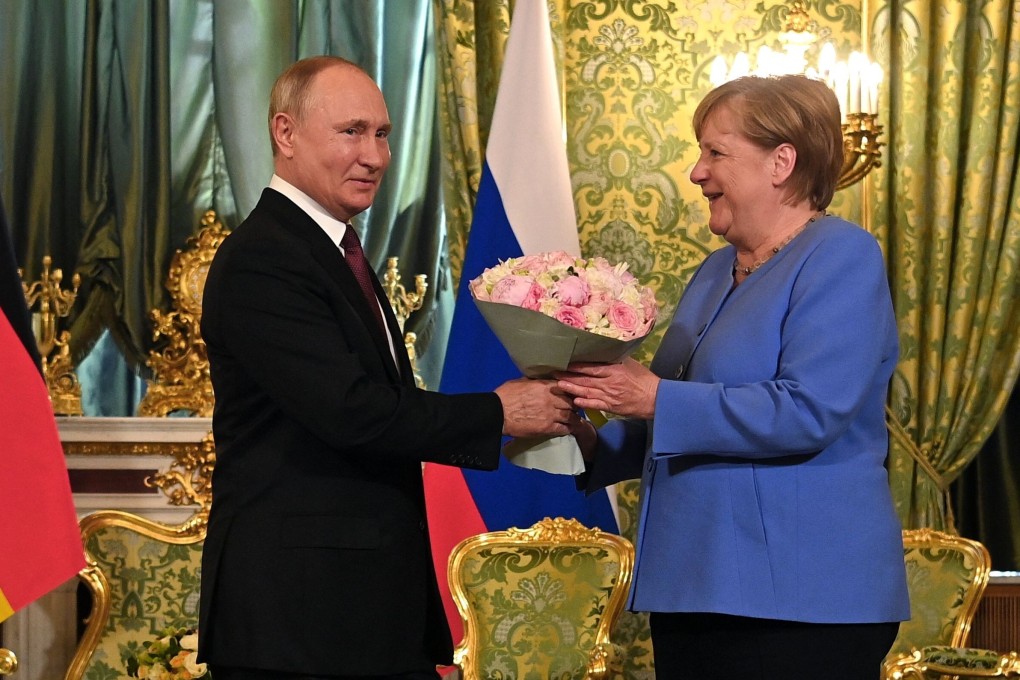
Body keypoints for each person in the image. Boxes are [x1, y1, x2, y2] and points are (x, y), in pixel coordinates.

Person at [198, 55, 576, 679]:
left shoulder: (331, 247)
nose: (374, 155)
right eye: (351, 131)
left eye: (383, 133)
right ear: (285, 133)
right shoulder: (264, 258)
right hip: (299, 620)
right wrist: (500, 410)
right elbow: (350, 411)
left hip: (354, 613)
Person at [557, 74, 910, 680]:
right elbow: (672, 414)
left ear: (782, 162)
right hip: (695, 585)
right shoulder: (717, 270)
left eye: (715, 152)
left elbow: (808, 411)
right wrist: (585, 436)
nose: (696, 172)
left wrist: (652, 397)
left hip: (803, 599)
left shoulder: (842, 254)